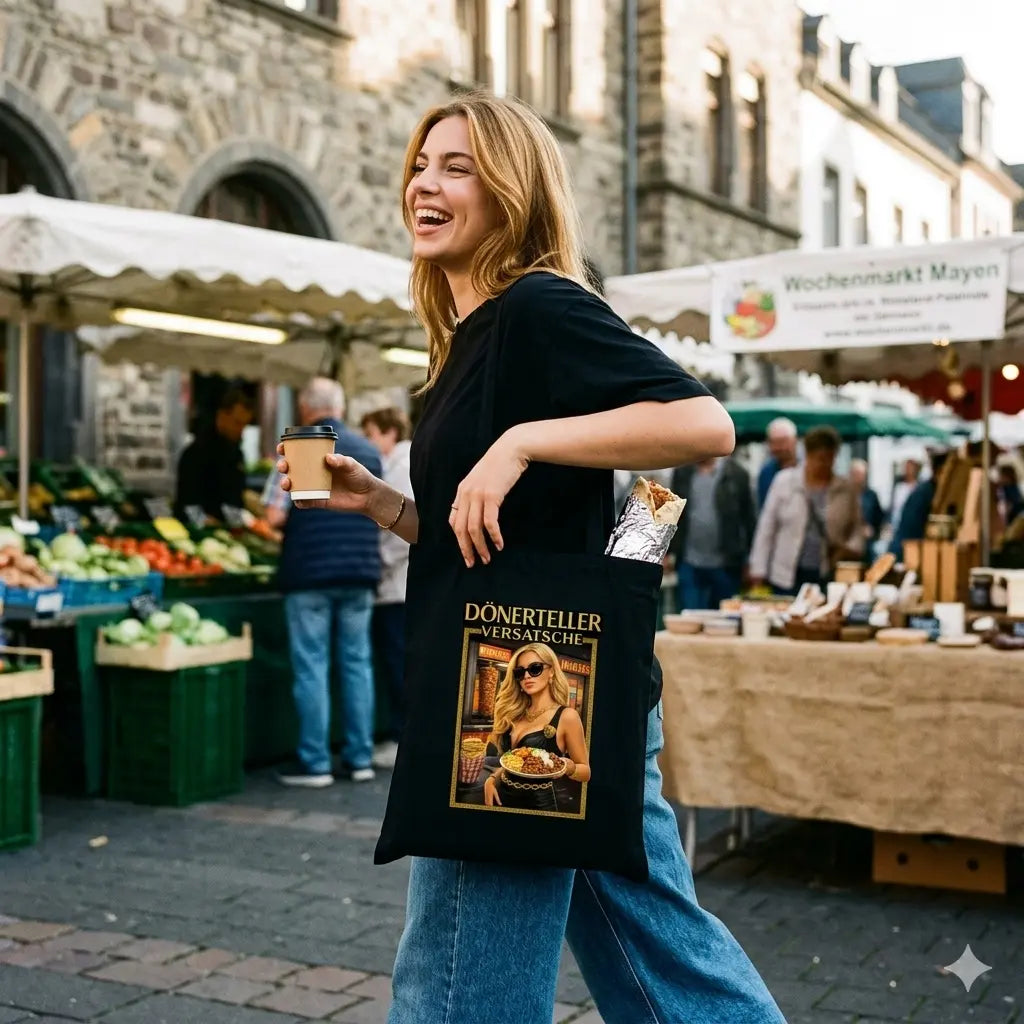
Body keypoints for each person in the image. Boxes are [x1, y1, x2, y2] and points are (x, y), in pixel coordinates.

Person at [276, 93, 783, 1024]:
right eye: (422, 163)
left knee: (457, 987)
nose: (427, 182)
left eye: (459, 166)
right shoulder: (466, 343)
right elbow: (490, 539)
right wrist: (384, 503)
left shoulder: (537, 306)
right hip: (559, 692)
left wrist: (519, 443)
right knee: (658, 965)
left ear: (512, 191)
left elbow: (704, 422)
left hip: (519, 702)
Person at [266, 378, 382, 787]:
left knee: (312, 665)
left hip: (309, 573)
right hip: (360, 570)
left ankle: (315, 763)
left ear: (304, 408)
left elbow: (274, 517)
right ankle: (359, 757)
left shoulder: (297, 448)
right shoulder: (369, 450)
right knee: (357, 664)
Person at [361, 407, 414, 770]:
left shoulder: (402, 466)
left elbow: (400, 527)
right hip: (395, 584)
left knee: (398, 664)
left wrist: (378, 561)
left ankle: (401, 739)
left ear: (390, 432)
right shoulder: (398, 463)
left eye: (371, 434)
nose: (368, 443)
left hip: (397, 586)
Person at [749, 425, 864, 594]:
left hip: (826, 571)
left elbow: (857, 529)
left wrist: (848, 550)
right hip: (786, 573)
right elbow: (767, 527)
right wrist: (758, 569)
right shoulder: (784, 481)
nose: (826, 464)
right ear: (808, 455)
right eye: (821, 458)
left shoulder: (845, 488)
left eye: (831, 458)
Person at [483, 643, 590, 813]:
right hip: (500, 799)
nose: (526, 676)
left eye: (535, 669)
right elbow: (515, 763)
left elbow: (585, 771)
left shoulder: (567, 716)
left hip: (539, 805)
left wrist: (568, 767)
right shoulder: (515, 714)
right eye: (520, 672)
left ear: (552, 671)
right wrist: (491, 779)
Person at [670, 456, 755, 609]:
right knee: (689, 617)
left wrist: (750, 560)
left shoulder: (737, 474)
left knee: (724, 621)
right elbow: (672, 513)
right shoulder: (682, 472)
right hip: (689, 560)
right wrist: (667, 552)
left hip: (726, 563)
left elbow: (749, 519)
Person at [174, 387, 254, 520]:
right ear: (222, 416)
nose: (241, 430)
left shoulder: (236, 454)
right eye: (237, 423)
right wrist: (204, 521)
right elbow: (188, 500)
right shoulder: (196, 452)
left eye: (244, 425)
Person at [889, 449, 948, 561]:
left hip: (907, 550)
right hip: (906, 552)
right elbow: (912, 532)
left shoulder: (928, 490)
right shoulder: (925, 493)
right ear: (940, 471)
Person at [757, 416, 798, 508]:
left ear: (794, 441)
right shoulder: (766, 473)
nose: (780, 448)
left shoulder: (807, 468)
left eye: (783, 442)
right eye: (775, 443)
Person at [850, 458, 884, 562]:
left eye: (863, 474)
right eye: (857, 474)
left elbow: (879, 518)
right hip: (848, 545)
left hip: (867, 545)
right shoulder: (844, 495)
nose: (860, 478)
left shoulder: (871, 495)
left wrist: (873, 531)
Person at [889, 457, 922, 536]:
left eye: (910, 468)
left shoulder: (919, 488)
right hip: (896, 524)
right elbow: (893, 507)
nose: (907, 470)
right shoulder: (899, 487)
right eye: (906, 468)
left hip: (912, 525)